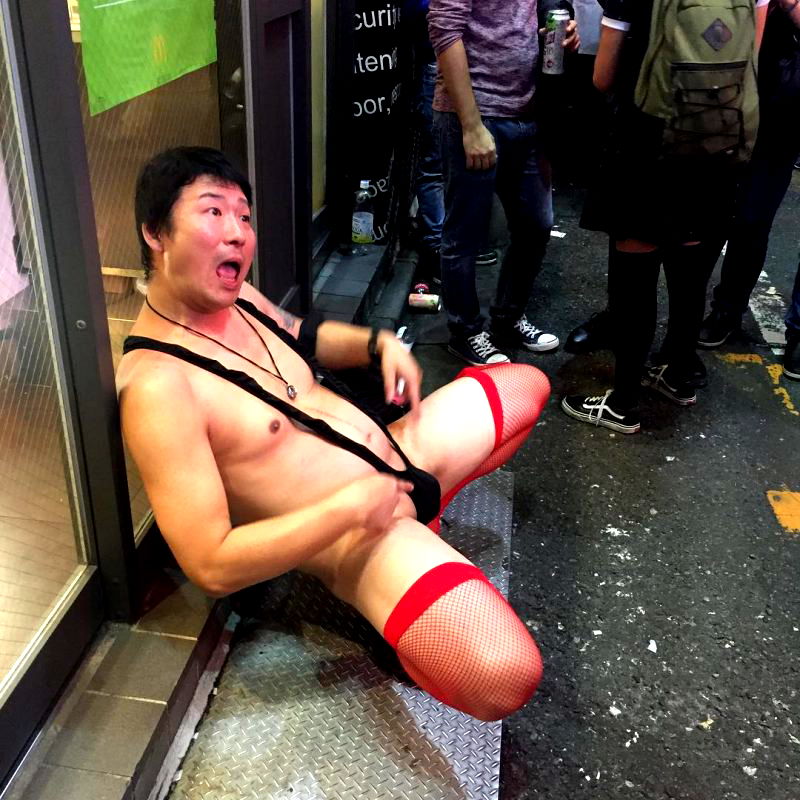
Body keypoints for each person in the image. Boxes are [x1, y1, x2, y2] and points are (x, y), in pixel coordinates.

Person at [117, 146, 552, 721]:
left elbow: (303, 333)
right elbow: (210, 563)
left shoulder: (237, 297)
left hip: (402, 454)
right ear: (156, 233)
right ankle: (399, 615)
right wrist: (348, 509)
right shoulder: (157, 386)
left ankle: (428, 518)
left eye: (244, 216)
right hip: (360, 534)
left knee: (524, 385)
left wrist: (378, 344)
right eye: (213, 212)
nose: (238, 233)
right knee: (503, 674)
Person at [561, 0, 769, 434]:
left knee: (634, 274)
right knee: (691, 263)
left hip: (648, 142)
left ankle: (623, 402)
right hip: (716, 140)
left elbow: (602, 77)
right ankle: (677, 373)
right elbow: (749, 58)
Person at [427, 0, 579, 365]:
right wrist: (470, 125)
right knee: (465, 234)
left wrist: (565, 35)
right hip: (476, 113)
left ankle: (508, 319)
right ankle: (465, 331)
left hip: (529, 112)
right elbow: (445, 31)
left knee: (536, 225)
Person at [696, 0, 800, 383]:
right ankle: (699, 314)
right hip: (732, 93)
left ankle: (731, 311)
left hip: (783, 105)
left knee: (752, 218)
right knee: (717, 213)